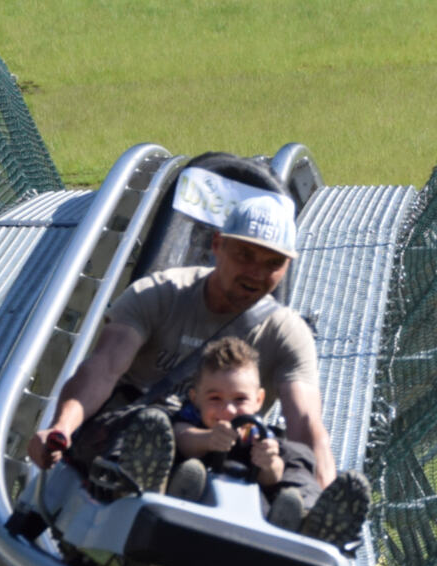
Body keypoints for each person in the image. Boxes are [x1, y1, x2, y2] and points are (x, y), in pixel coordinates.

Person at [29, 191, 338, 491]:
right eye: (245, 255)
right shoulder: (159, 294)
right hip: (140, 430)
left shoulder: (286, 332)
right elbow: (103, 368)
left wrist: (315, 481)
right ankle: (137, 478)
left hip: (229, 448)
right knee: (149, 423)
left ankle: (310, 506)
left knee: (289, 454)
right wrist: (61, 429)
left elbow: (305, 422)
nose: (256, 273)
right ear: (217, 244)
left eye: (273, 263)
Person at [165, 336, 322, 527]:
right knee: (167, 439)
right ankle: (171, 491)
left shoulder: (256, 433)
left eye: (240, 399)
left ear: (258, 400)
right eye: (215, 398)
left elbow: (272, 477)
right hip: (192, 490)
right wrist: (208, 439)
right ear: (195, 397)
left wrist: (268, 463)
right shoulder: (192, 419)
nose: (229, 410)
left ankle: (297, 520)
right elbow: (182, 437)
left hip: (251, 510)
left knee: (297, 456)